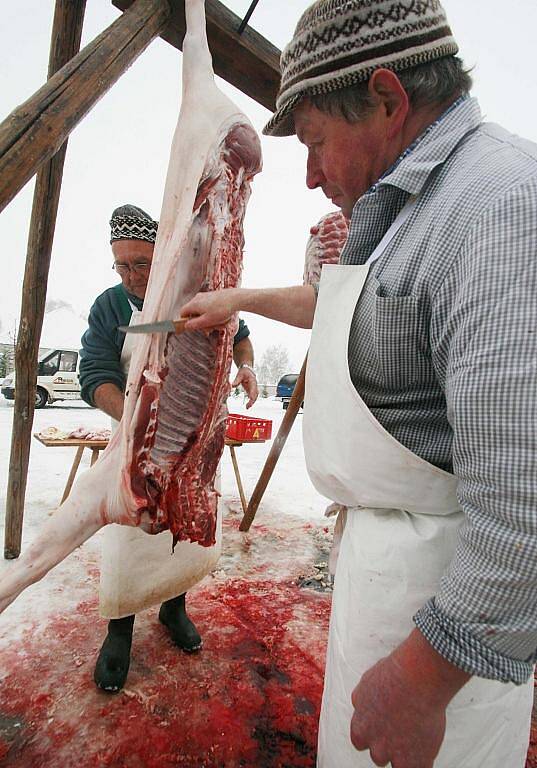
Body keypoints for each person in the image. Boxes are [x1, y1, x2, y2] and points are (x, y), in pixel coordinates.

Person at [179, 2, 537, 767]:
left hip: (442, 627)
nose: (308, 174)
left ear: (386, 97)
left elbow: (525, 493)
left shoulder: (497, 205)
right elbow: (351, 311)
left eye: (312, 140)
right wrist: (236, 300)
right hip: (386, 581)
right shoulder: (416, 209)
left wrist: (424, 676)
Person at [79, 204, 258, 693]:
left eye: (143, 264)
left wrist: (246, 367)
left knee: (187, 528)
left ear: (163, 258)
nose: (133, 276)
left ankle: (174, 608)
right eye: (123, 265)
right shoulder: (110, 308)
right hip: (139, 449)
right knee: (129, 540)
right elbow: (94, 376)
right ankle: (120, 630)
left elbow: (239, 335)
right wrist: (139, 420)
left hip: (196, 447)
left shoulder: (195, 298)